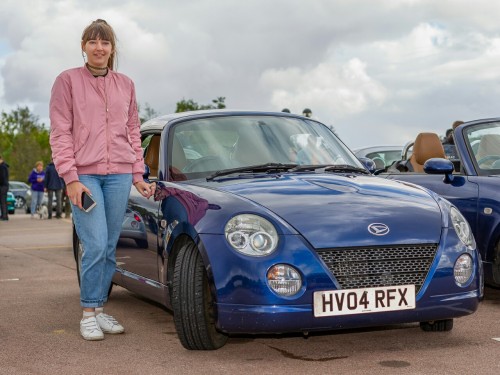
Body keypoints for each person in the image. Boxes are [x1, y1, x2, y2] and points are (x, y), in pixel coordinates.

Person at [49, 19, 155, 341]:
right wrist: (70, 177)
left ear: (112, 49)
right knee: (94, 243)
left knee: (109, 245)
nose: (99, 48)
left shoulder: (126, 84)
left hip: (120, 174)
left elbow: (133, 131)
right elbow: (60, 132)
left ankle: (100, 309)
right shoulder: (66, 81)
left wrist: (138, 173)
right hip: (84, 175)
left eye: (105, 43)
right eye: (93, 42)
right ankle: (88, 313)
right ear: (83, 46)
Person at [0, 155, 9, 221]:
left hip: (3, 186)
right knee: (3, 201)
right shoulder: (4, 166)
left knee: (3, 201)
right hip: (4, 186)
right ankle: (4, 215)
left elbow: (2, 178)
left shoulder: (2, 167)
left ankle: (4, 216)